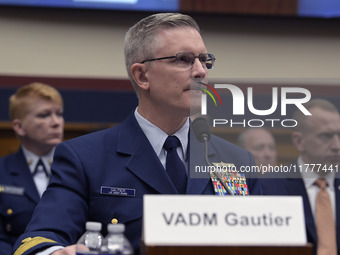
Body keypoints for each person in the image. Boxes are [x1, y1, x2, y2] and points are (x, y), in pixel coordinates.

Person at [13, 13, 262, 255]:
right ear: (142, 76)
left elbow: (266, 242)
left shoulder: (236, 162)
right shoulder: (85, 158)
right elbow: (40, 239)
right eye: (183, 59)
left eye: (204, 59)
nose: (201, 71)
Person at [261, 99, 340, 255]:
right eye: (326, 136)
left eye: (339, 135)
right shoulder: (269, 187)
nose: (337, 145)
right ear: (299, 141)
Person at [0, 83, 64, 254]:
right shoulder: (2, 172)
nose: (56, 122)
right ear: (19, 127)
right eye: (44, 115)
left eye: (59, 114)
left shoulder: (79, 167)